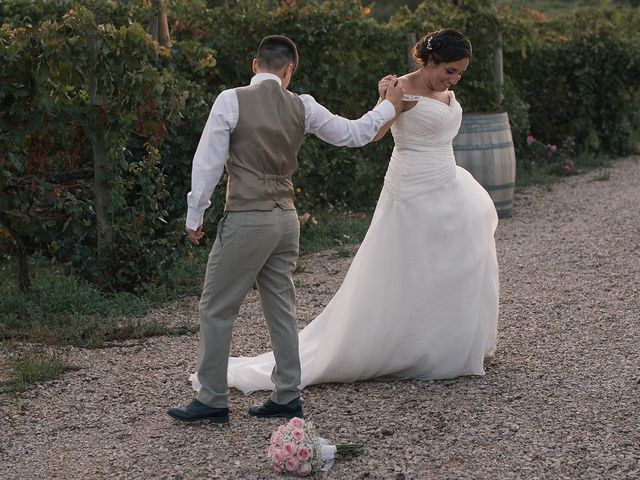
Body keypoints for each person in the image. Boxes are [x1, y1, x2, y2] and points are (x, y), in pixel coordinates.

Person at [217, 28, 499, 395]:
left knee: (458, 254)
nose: (453, 79)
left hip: (447, 177)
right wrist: (386, 101)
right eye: (449, 70)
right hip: (412, 183)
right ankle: (397, 345)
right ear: (429, 60)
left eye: (459, 73)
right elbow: (376, 133)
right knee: (406, 264)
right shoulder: (401, 88)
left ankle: (447, 343)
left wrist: (447, 88)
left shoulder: (445, 91)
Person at [167, 35, 405, 424]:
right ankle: (287, 395)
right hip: (286, 220)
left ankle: (211, 398)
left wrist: (196, 217)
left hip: (248, 217)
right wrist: (388, 106)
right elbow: (355, 133)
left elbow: (207, 162)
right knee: (281, 307)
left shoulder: (231, 99)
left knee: (216, 307)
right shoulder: (303, 105)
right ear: (289, 70)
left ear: (254, 63)